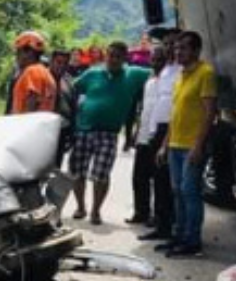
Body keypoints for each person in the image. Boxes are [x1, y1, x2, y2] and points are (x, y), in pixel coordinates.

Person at [69, 41, 150, 224]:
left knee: (101, 174)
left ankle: (95, 211)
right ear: (106, 55)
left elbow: (158, 73)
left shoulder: (133, 74)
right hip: (83, 130)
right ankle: (80, 207)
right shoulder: (92, 73)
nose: (113, 60)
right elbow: (73, 89)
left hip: (109, 133)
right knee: (77, 172)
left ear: (124, 58)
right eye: (111, 55)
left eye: (118, 57)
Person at [159, 31, 218, 257]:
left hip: (192, 145)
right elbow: (176, 114)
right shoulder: (181, 76)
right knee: (177, 192)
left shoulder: (206, 73)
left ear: (195, 50)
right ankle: (179, 236)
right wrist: (165, 144)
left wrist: (198, 145)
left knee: (189, 192)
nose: (177, 52)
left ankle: (192, 241)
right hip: (175, 144)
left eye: (183, 48)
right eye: (176, 48)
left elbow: (209, 113)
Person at [128, 44, 177, 239]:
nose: (156, 62)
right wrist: (136, 131)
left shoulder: (168, 81)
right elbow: (144, 108)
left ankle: (158, 218)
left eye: (160, 59)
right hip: (143, 134)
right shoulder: (149, 80)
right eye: (153, 59)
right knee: (139, 176)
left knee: (158, 179)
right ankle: (141, 212)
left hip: (157, 135)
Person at [8, 31, 57, 115]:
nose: (17, 57)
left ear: (28, 52)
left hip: (26, 126)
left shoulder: (32, 72)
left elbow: (31, 105)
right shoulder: (46, 73)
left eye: (18, 52)